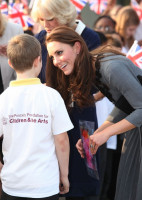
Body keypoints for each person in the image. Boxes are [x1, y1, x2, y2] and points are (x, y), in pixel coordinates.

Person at [46, 26, 142, 200]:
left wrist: (105, 135)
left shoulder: (109, 68)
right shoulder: (95, 69)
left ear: (77, 47)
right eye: (52, 56)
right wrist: (97, 135)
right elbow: (125, 104)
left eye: (59, 52)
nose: (55, 61)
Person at [0, 33, 73, 200]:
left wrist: (2, 169)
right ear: (38, 60)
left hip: (12, 185)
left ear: (11, 63)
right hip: (45, 184)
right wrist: (64, 175)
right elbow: (61, 140)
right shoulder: (52, 96)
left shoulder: (3, 99)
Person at [31, 0, 101, 83]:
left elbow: (92, 79)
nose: (45, 25)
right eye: (41, 20)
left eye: (50, 19)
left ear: (63, 14)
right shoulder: (38, 40)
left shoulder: (90, 38)